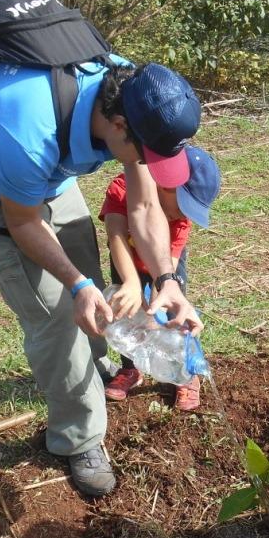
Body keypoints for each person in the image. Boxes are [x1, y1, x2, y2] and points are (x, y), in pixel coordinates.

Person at [0, 58, 205, 497]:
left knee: (91, 281)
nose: (145, 164)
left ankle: (94, 366)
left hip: (54, 175)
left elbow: (144, 207)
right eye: (145, 156)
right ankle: (78, 438)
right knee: (56, 314)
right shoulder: (26, 128)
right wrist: (74, 285)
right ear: (117, 126)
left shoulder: (135, 96)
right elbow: (23, 223)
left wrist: (167, 279)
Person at [100, 145, 221, 408]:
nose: (183, 215)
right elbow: (116, 236)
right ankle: (131, 368)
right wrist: (131, 283)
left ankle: (186, 376)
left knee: (175, 316)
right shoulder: (123, 189)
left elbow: (171, 263)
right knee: (127, 309)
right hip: (127, 262)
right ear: (167, 185)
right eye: (183, 206)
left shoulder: (181, 219)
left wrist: (158, 304)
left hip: (164, 266)